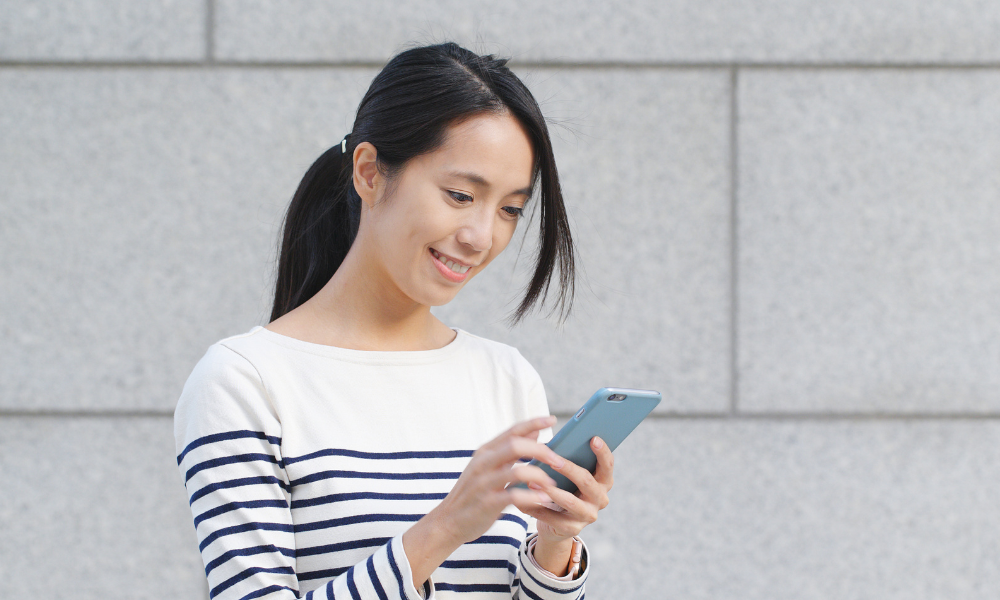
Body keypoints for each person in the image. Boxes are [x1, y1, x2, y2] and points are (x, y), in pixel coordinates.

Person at [174, 41, 614, 600]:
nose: (482, 237)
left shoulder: (506, 377)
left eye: (509, 210)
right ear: (369, 172)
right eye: (459, 195)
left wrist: (554, 544)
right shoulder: (245, 380)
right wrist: (444, 529)